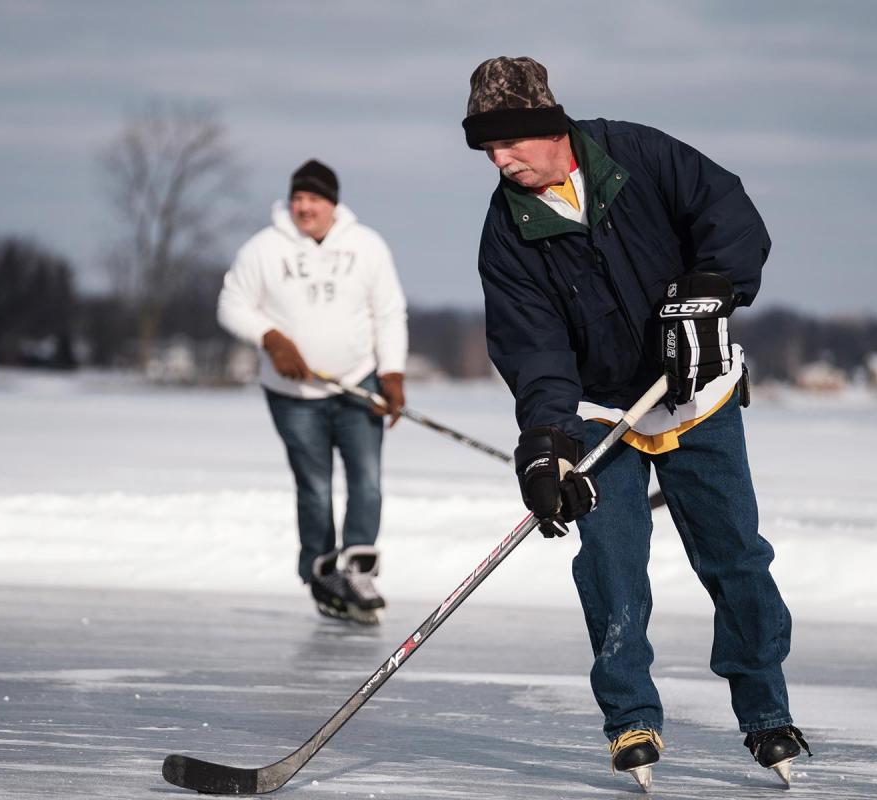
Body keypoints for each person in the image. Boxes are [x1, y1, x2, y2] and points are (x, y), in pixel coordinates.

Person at [461, 57, 810, 788]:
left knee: (735, 557)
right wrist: (547, 445)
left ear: (547, 126)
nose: (499, 160)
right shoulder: (507, 231)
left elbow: (728, 212)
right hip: (600, 409)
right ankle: (630, 720)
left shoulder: (638, 154)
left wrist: (712, 287)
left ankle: (765, 711)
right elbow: (534, 348)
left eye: (509, 142)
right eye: (486, 148)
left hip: (695, 393)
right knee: (611, 565)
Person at [217, 159, 408, 625]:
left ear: (333, 204)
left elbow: (388, 312)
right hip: (292, 393)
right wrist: (272, 338)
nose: (304, 207)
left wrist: (393, 374)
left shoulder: (366, 246)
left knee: (366, 479)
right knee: (315, 487)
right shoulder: (263, 249)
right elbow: (231, 305)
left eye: (314, 199)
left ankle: (358, 568)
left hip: (357, 383)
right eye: (298, 198)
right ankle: (322, 572)